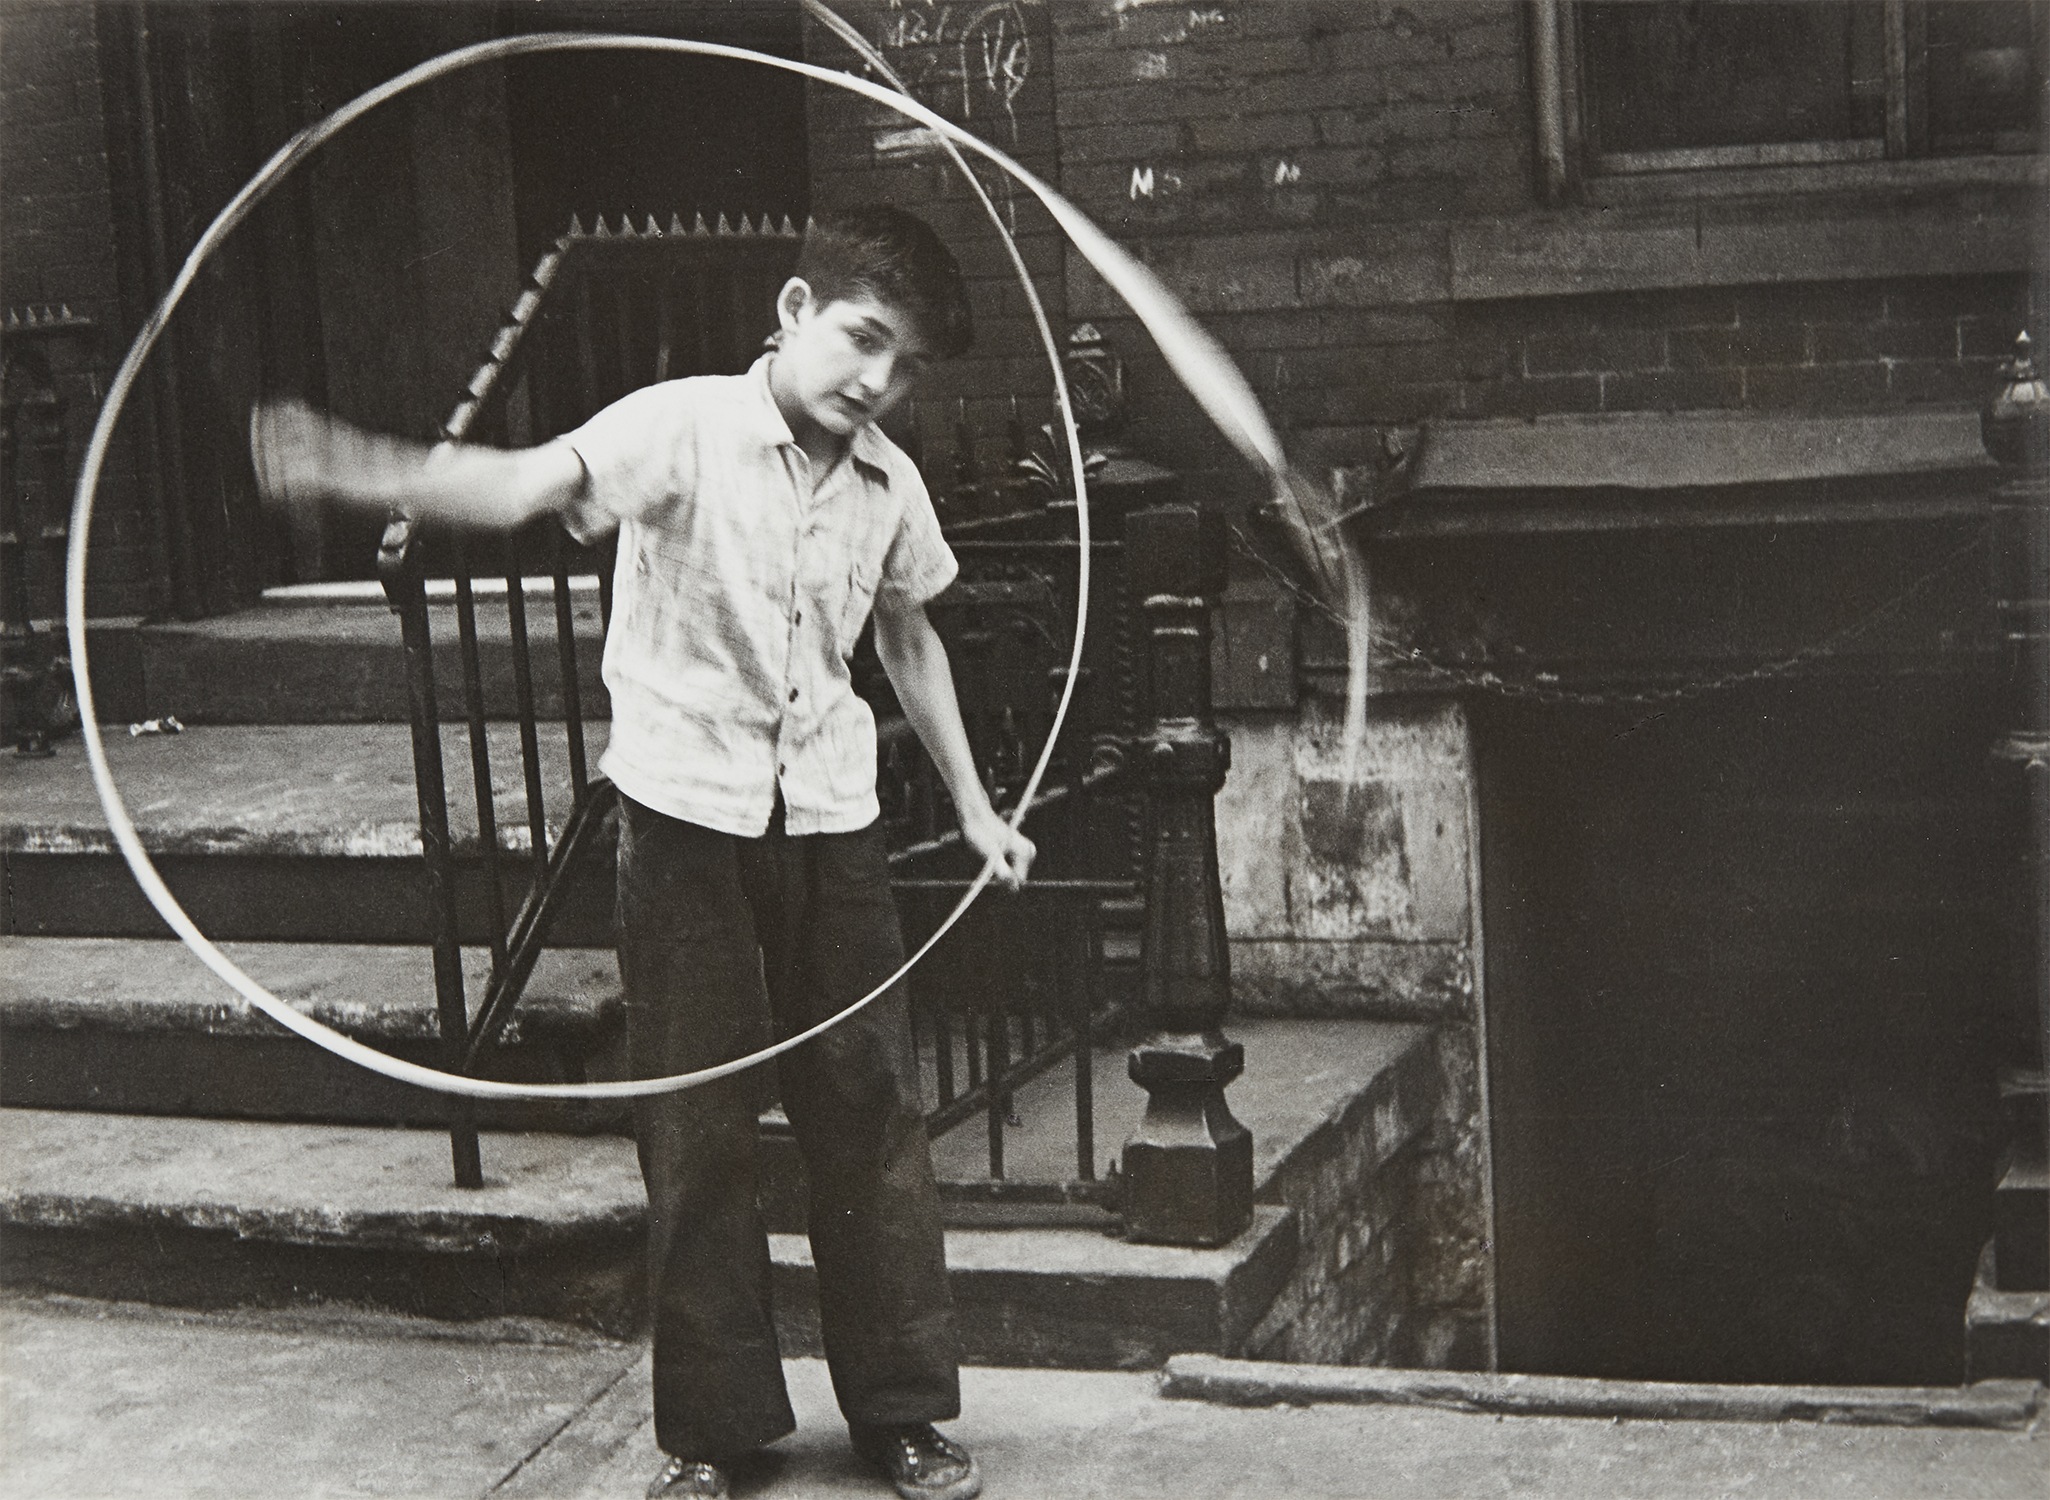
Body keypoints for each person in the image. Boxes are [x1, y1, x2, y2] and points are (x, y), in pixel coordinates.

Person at [249, 205, 1031, 1500]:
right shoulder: (681, 426)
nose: (876, 382)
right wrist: (352, 468)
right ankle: (719, 1433)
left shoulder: (890, 483)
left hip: (831, 820)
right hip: (683, 822)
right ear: (795, 309)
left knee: (869, 1115)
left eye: (905, 367)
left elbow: (906, 636)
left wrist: (976, 808)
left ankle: (898, 1411)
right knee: (697, 1125)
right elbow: (519, 485)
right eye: (862, 339)